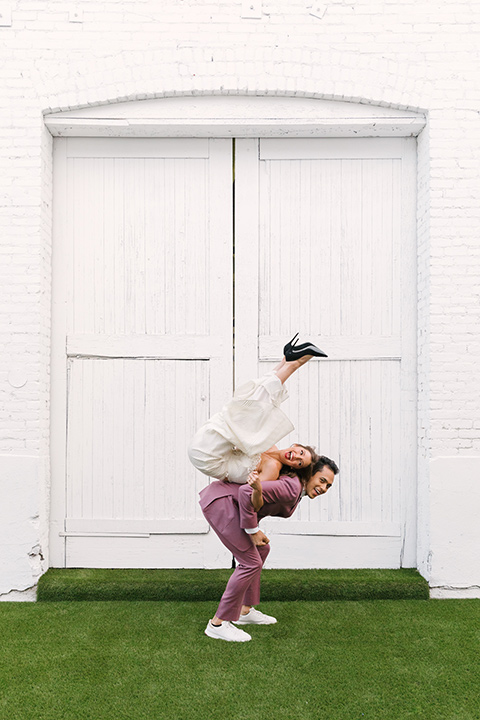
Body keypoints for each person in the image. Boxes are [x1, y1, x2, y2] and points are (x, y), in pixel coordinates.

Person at [200, 454, 339, 642]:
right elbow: (246, 492)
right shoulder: (292, 487)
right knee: (250, 563)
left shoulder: (296, 488)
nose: (323, 488)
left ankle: (244, 611)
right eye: (322, 481)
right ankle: (217, 624)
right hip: (221, 504)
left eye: (328, 486)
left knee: (261, 551)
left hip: (229, 505)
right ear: (310, 474)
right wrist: (253, 530)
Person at [188, 334, 327, 485]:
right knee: (250, 407)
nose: (296, 457)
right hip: (209, 440)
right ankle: (287, 360)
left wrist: (255, 486)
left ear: (294, 467)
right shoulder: (269, 445)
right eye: (301, 453)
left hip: (208, 458)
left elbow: (249, 495)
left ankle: (294, 362)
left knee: (251, 414)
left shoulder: (273, 468)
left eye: (299, 463)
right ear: (296, 445)